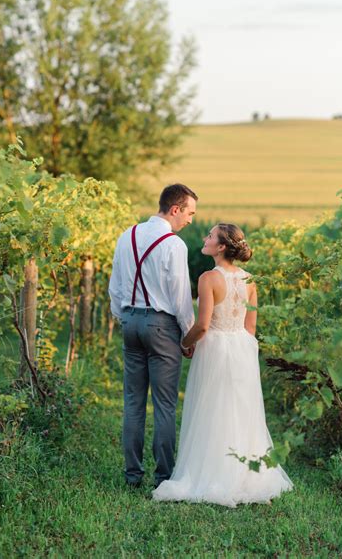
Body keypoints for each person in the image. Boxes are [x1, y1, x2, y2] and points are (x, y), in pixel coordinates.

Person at [152, 223, 293, 507]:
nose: (204, 239)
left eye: (210, 236)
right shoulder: (250, 279)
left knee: (211, 407)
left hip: (215, 347)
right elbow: (250, 327)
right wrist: (239, 346)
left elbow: (202, 325)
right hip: (241, 347)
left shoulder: (208, 279)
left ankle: (212, 472)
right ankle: (244, 474)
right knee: (240, 409)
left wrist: (185, 343)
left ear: (220, 247)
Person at [109, 183, 198, 489]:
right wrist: (189, 337)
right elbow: (180, 299)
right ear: (175, 209)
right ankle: (164, 477)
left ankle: (132, 476)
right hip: (161, 327)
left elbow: (115, 287)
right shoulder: (174, 245)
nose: (190, 220)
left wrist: (126, 318)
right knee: (164, 404)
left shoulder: (127, 235)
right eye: (189, 212)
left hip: (130, 321)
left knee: (133, 402)